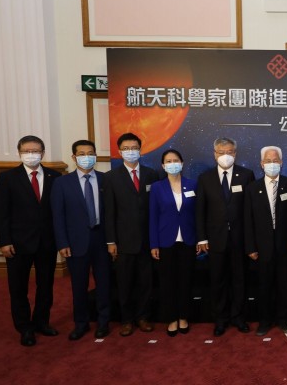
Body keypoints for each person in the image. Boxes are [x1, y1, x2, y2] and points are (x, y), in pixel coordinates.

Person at [0, 135, 61, 346]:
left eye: (36, 151)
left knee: (45, 286)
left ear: (43, 153)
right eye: (27, 151)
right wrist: (4, 241)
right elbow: (1, 213)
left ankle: (42, 322)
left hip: (47, 243)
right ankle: (25, 328)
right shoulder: (7, 178)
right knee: (18, 288)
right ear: (20, 152)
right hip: (17, 244)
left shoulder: (54, 176)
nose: (31, 154)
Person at [51, 140, 111, 341]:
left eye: (90, 153)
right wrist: (62, 243)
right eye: (82, 153)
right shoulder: (61, 183)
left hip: (102, 239)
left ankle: (103, 322)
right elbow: (57, 215)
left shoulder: (105, 180)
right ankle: (81, 323)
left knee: (104, 283)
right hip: (75, 241)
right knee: (79, 284)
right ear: (74, 157)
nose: (87, 156)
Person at [196, 137, 255, 337]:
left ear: (235, 154)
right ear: (214, 154)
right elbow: (200, 211)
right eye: (221, 152)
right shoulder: (205, 178)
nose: (225, 156)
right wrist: (202, 238)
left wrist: (251, 241)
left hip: (240, 239)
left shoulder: (246, 175)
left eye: (229, 152)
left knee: (240, 280)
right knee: (218, 281)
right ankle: (220, 319)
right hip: (215, 240)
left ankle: (239, 317)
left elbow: (251, 210)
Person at [104, 133, 158, 336]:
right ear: (119, 152)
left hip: (147, 240)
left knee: (146, 282)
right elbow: (109, 211)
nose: (130, 151)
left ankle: (143, 317)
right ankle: (126, 320)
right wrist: (111, 241)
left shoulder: (151, 174)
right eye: (126, 148)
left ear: (140, 150)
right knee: (124, 283)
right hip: (123, 241)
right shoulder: (111, 177)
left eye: (134, 147)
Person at [244, 146, 287, 336]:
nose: (272, 164)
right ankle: (265, 321)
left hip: (284, 245)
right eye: (268, 161)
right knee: (264, 284)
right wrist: (250, 246)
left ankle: (283, 319)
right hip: (261, 246)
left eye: (275, 161)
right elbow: (247, 220)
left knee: (283, 284)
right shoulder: (252, 188)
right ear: (261, 164)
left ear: (281, 163)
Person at [149, 149, 198, 337]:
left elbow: (197, 215)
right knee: (167, 283)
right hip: (165, 241)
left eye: (175, 160)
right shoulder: (157, 187)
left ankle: (184, 317)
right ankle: (171, 318)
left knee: (186, 281)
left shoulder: (192, 184)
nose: (172, 163)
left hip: (188, 240)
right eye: (168, 161)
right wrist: (154, 243)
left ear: (182, 163)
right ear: (163, 165)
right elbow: (153, 217)